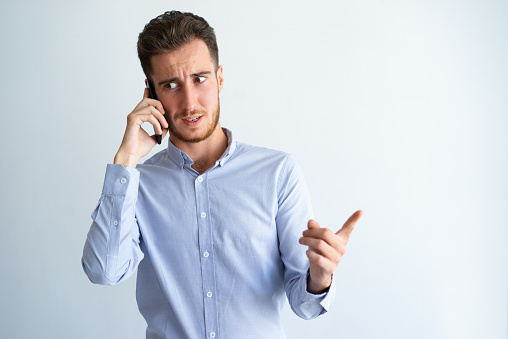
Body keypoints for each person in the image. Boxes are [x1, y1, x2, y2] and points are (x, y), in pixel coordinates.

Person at [82, 10, 362, 339]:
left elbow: (306, 305)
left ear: (220, 79)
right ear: (152, 94)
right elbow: (104, 271)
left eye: (199, 79)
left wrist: (320, 276)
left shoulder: (277, 173)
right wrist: (126, 160)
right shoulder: (136, 184)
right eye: (171, 85)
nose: (189, 103)